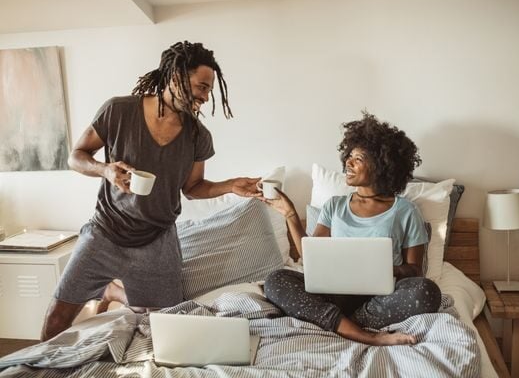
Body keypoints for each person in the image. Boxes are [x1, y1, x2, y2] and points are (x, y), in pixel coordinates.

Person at [41, 41, 261, 341]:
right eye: (201, 87)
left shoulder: (198, 136)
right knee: (58, 314)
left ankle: (113, 291)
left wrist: (230, 186)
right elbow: (76, 156)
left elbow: (193, 188)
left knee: (166, 328)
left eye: (209, 90)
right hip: (105, 232)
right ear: (175, 76)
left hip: (158, 241)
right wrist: (104, 170)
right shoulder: (117, 111)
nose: (206, 96)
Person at [261, 113, 441, 346]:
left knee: (426, 292)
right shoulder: (334, 206)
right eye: (349, 156)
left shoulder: (406, 211)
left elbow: (416, 271)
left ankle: (341, 324)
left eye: (359, 158)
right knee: (276, 280)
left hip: (380, 299)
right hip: (333, 295)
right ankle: (364, 334)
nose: (348, 162)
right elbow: (310, 258)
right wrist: (290, 215)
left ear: (381, 164)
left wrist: (388, 268)